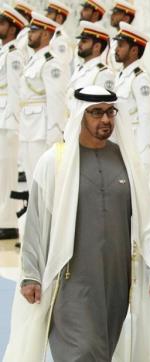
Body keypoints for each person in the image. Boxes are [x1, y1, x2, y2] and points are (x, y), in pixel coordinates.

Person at [3, 85, 150, 361]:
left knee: (102, 350)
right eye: (96, 113)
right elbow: (35, 223)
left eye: (109, 112)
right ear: (80, 114)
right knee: (81, 351)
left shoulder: (125, 159)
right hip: (71, 279)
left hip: (116, 278)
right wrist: (31, 274)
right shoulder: (54, 161)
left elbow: (146, 220)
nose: (105, 120)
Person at [19, 12, 68, 190]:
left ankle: (47, 218)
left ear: (46, 34)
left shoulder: (51, 62)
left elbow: (56, 100)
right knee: (32, 181)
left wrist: (54, 137)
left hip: (42, 131)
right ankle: (36, 218)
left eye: (34, 31)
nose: (29, 35)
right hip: (28, 128)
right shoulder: (33, 60)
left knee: (45, 183)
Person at [113, 21, 150, 174]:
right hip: (121, 143)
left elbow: (147, 116)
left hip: (135, 148)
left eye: (121, 45)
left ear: (133, 51)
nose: (116, 49)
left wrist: (145, 154)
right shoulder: (121, 75)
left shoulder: (140, 78)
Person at [0, 6, 27, 241]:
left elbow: (16, 91)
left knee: (6, 172)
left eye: (2, 23)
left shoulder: (14, 55)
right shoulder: (4, 52)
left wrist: (13, 123)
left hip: (8, 122)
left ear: (12, 27)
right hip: (1, 118)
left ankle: (7, 221)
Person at [68, 21, 115, 114]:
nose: (79, 44)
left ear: (97, 47)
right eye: (80, 40)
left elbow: (102, 109)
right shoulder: (80, 68)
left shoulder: (103, 73)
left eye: (84, 41)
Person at [46, 1, 74, 67]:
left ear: (59, 18)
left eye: (49, 13)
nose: (46, 16)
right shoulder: (53, 34)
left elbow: (59, 63)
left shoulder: (61, 38)